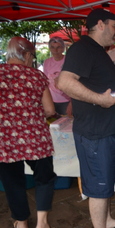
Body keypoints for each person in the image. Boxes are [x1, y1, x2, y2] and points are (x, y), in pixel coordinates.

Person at [57, 9, 115, 228]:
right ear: (100, 24)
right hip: (96, 133)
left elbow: (100, 85)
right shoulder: (82, 49)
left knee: (106, 182)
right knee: (99, 186)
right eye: (114, 26)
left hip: (109, 129)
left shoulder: (99, 50)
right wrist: (100, 100)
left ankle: (107, 221)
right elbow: (64, 82)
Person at [0, 36, 57, 228]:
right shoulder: (36, 76)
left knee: (13, 182)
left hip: (5, 140)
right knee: (45, 177)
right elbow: (49, 110)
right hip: (36, 138)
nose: (32, 60)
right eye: (32, 56)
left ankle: (22, 222)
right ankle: (42, 222)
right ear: (25, 54)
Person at [43, 36, 71, 115]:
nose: (55, 50)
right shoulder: (47, 62)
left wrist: (72, 102)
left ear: (62, 48)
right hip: (52, 101)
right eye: (52, 47)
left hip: (67, 101)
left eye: (58, 47)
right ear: (49, 49)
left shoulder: (68, 61)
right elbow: (45, 83)